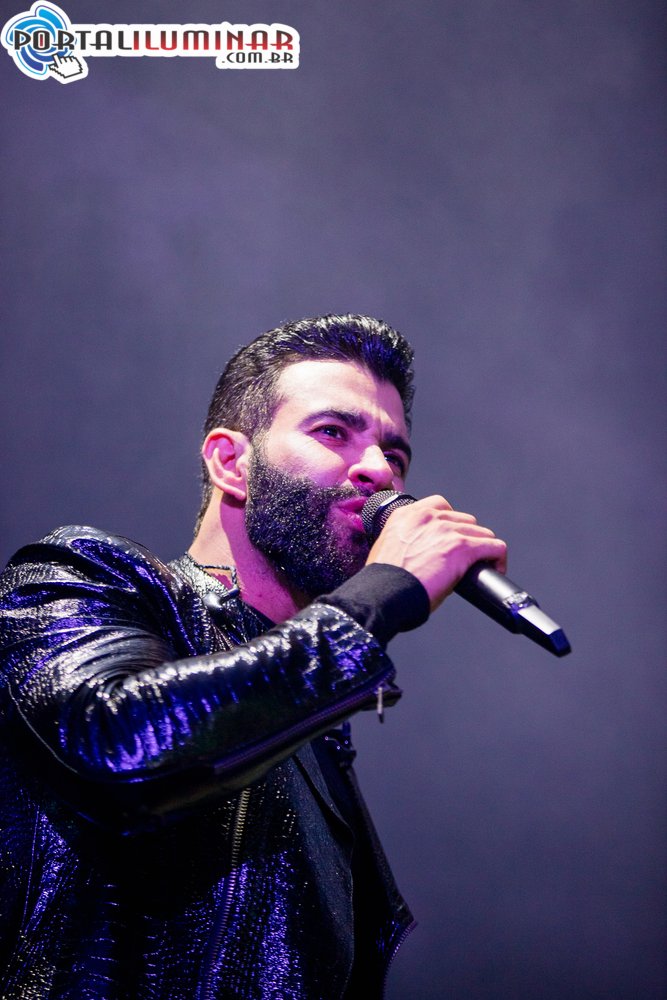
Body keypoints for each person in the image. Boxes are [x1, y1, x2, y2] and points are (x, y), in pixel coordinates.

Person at [0, 314, 506, 999]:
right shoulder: (87, 574)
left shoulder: (314, 731)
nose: (380, 473)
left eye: (395, 455)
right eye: (334, 432)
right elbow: (113, 742)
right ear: (230, 462)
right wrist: (381, 596)